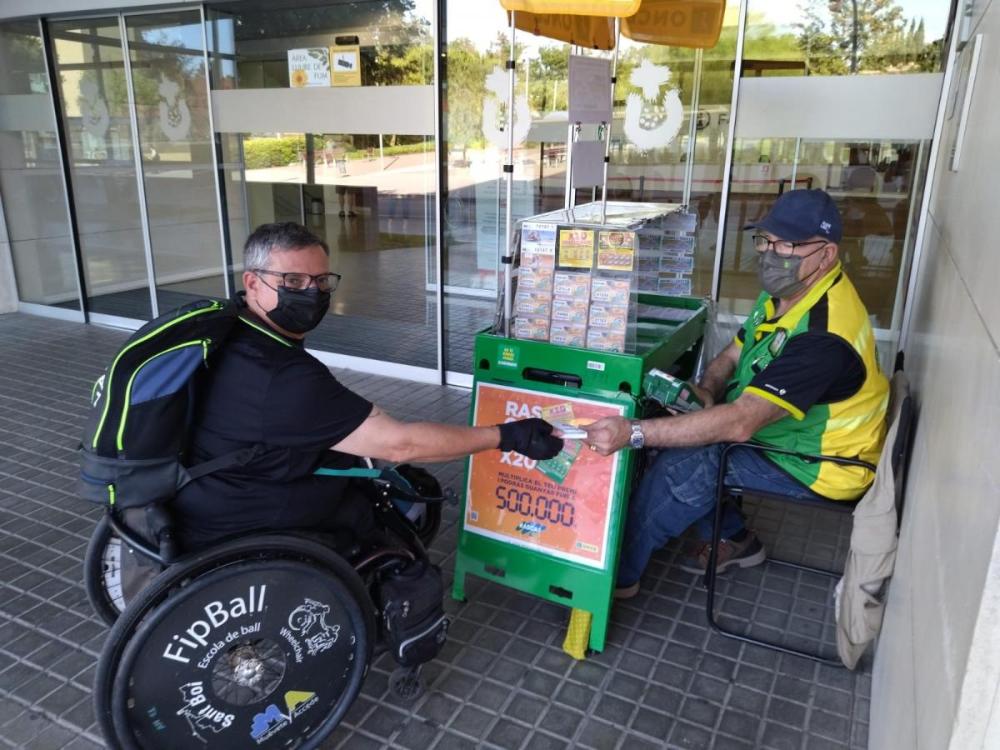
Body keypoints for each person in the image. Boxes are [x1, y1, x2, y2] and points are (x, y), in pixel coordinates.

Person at [173, 222, 562, 550]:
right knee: (381, 508)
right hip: (242, 508)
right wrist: (508, 435)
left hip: (204, 485)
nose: (312, 293)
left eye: (321, 281)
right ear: (253, 283)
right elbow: (402, 444)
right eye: (292, 280)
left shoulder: (227, 333)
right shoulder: (282, 377)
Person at [583, 189, 890, 598]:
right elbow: (733, 351)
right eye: (765, 240)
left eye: (789, 244)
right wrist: (707, 388)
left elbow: (742, 423)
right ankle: (735, 537)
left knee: (688, 462)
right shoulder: (787, 292)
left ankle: (614, 578)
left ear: (827, 254)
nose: (770, 253)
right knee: (689, 435)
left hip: (825, 465)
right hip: (782, 435)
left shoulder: (825, 335)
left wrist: (634, 432)